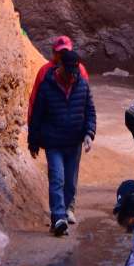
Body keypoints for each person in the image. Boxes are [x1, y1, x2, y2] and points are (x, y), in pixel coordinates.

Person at [26, 34, 96, 236]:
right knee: (57, 177)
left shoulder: (81, 81)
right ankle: (58, 218)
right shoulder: (46, 82)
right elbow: (36, 111)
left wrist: (89, 133)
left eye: (76, 72)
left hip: (74, 140)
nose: (73, 75)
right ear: (59, 64)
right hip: (53, 140)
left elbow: (89, 110)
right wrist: (33, 140)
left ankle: (68, 209)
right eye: (70, 71)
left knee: (70, 178)